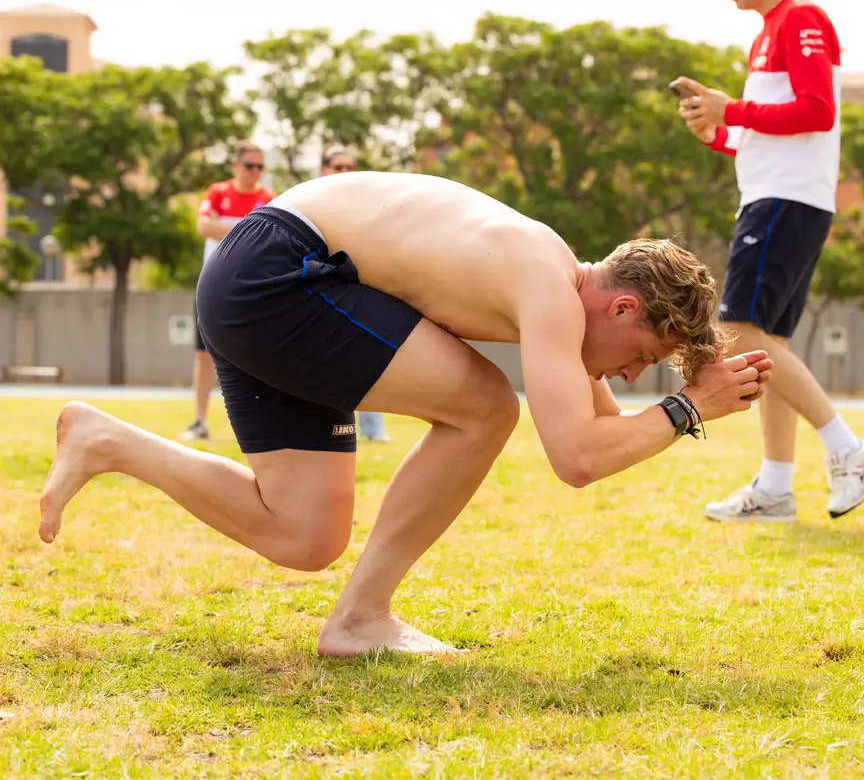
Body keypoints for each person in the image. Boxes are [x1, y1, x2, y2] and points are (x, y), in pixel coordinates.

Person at [38, 172, 771, 657]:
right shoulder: (545, 284)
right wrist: (687, 408)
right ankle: (361, 618)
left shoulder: (557, 284)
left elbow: (595, 435)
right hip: (282, 272)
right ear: (621, 306)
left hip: (261, 278)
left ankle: (109, 443)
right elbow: (575, 459)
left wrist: (691, 397)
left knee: (305, 536)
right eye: (643, 351)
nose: (631, 372)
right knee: (486, 407)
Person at [674, 0, 863, 523]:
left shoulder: (800, 19)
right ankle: (777, 488)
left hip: (785, 201)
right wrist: (719, 133)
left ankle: (847, 449)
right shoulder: (767, 35)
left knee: (737, 330)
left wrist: (731, 107)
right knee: (767, 349)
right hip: (779, 194)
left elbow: (815, 112)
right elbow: (772, 134)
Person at [179, 141, 276, 441]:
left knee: (258, 354)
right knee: (204, 354)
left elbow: (273, 237)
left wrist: (228, 229)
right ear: (236, 165)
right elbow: (203, 227)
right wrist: (249, 230)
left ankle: (259, 422)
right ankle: (199, 421)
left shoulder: (269, 198)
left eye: (260, 166)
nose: (255, 172)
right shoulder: (218, 193)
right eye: (250, 165)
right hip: (213, 287)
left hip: (253, 287)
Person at [320, 143, 389, 443]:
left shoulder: (365, 205)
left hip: (359, 295)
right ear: (324, 170)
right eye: (338, 167)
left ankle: (373, 431)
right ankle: (329, 434)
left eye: (350, 166)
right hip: (322, 298)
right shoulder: (310, 202)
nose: (345, 172)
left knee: (368, 360)